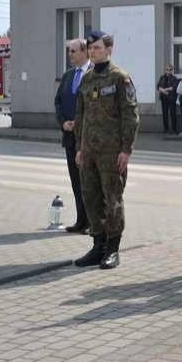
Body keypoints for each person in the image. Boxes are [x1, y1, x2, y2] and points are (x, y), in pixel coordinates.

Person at [74, 30, 139, 269]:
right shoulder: (87, 79)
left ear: (109, 50)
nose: (93, 51)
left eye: (97, 48)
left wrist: (126, 150)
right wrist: (80, 147)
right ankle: (98, 245)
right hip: (89, 151)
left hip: (112, 153)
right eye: (90, 48)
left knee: (112, 200)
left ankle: (113, 248)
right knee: (91, 198)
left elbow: (130, 116)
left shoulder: (120, 78)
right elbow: (81, 116)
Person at [54, 38, 92, 233]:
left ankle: (93, 222)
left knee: (89, 182)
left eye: (74, 51)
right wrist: (63, 123)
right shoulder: (68, 75)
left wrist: (80, 122)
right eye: (69, 51)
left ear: (85, 52)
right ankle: (81, 220)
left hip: (88, 137)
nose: (70, 55)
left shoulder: (94, 74)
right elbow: (58, 102)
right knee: (76, 181)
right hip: (70, 137)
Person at [157, 66, 179, 135]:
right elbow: (158, 87)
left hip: (171, 98)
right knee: (165, 114)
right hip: (164, 99)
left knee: (173, 114)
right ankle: (166, 129)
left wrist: (164, 90)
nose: (168, 71)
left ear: (172, 70)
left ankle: (174, 130)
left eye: (170, 70)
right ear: (165, 70)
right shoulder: (162, 77)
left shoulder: (174, 78)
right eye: (167, 69)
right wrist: (164, 91)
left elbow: (173, 88)